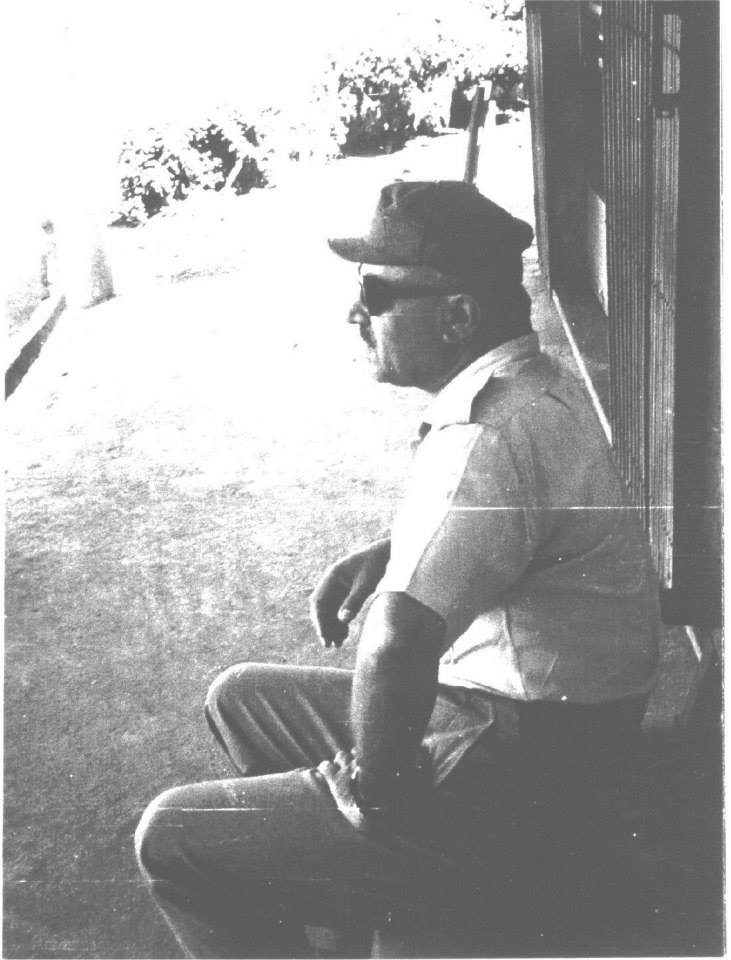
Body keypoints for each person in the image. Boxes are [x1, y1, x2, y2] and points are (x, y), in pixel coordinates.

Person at [135, 180, 660, 958]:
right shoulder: (531, 387)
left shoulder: (486, 436)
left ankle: (396, 862)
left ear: (458, 316)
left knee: (172, 836)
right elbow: (509, 522)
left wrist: (372, 791)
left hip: (529, 768)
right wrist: (395, 548)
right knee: (240, 697)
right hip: (542, 722)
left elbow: (397, 642)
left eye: (377, 295)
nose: (356, 314)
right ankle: (367, 894)